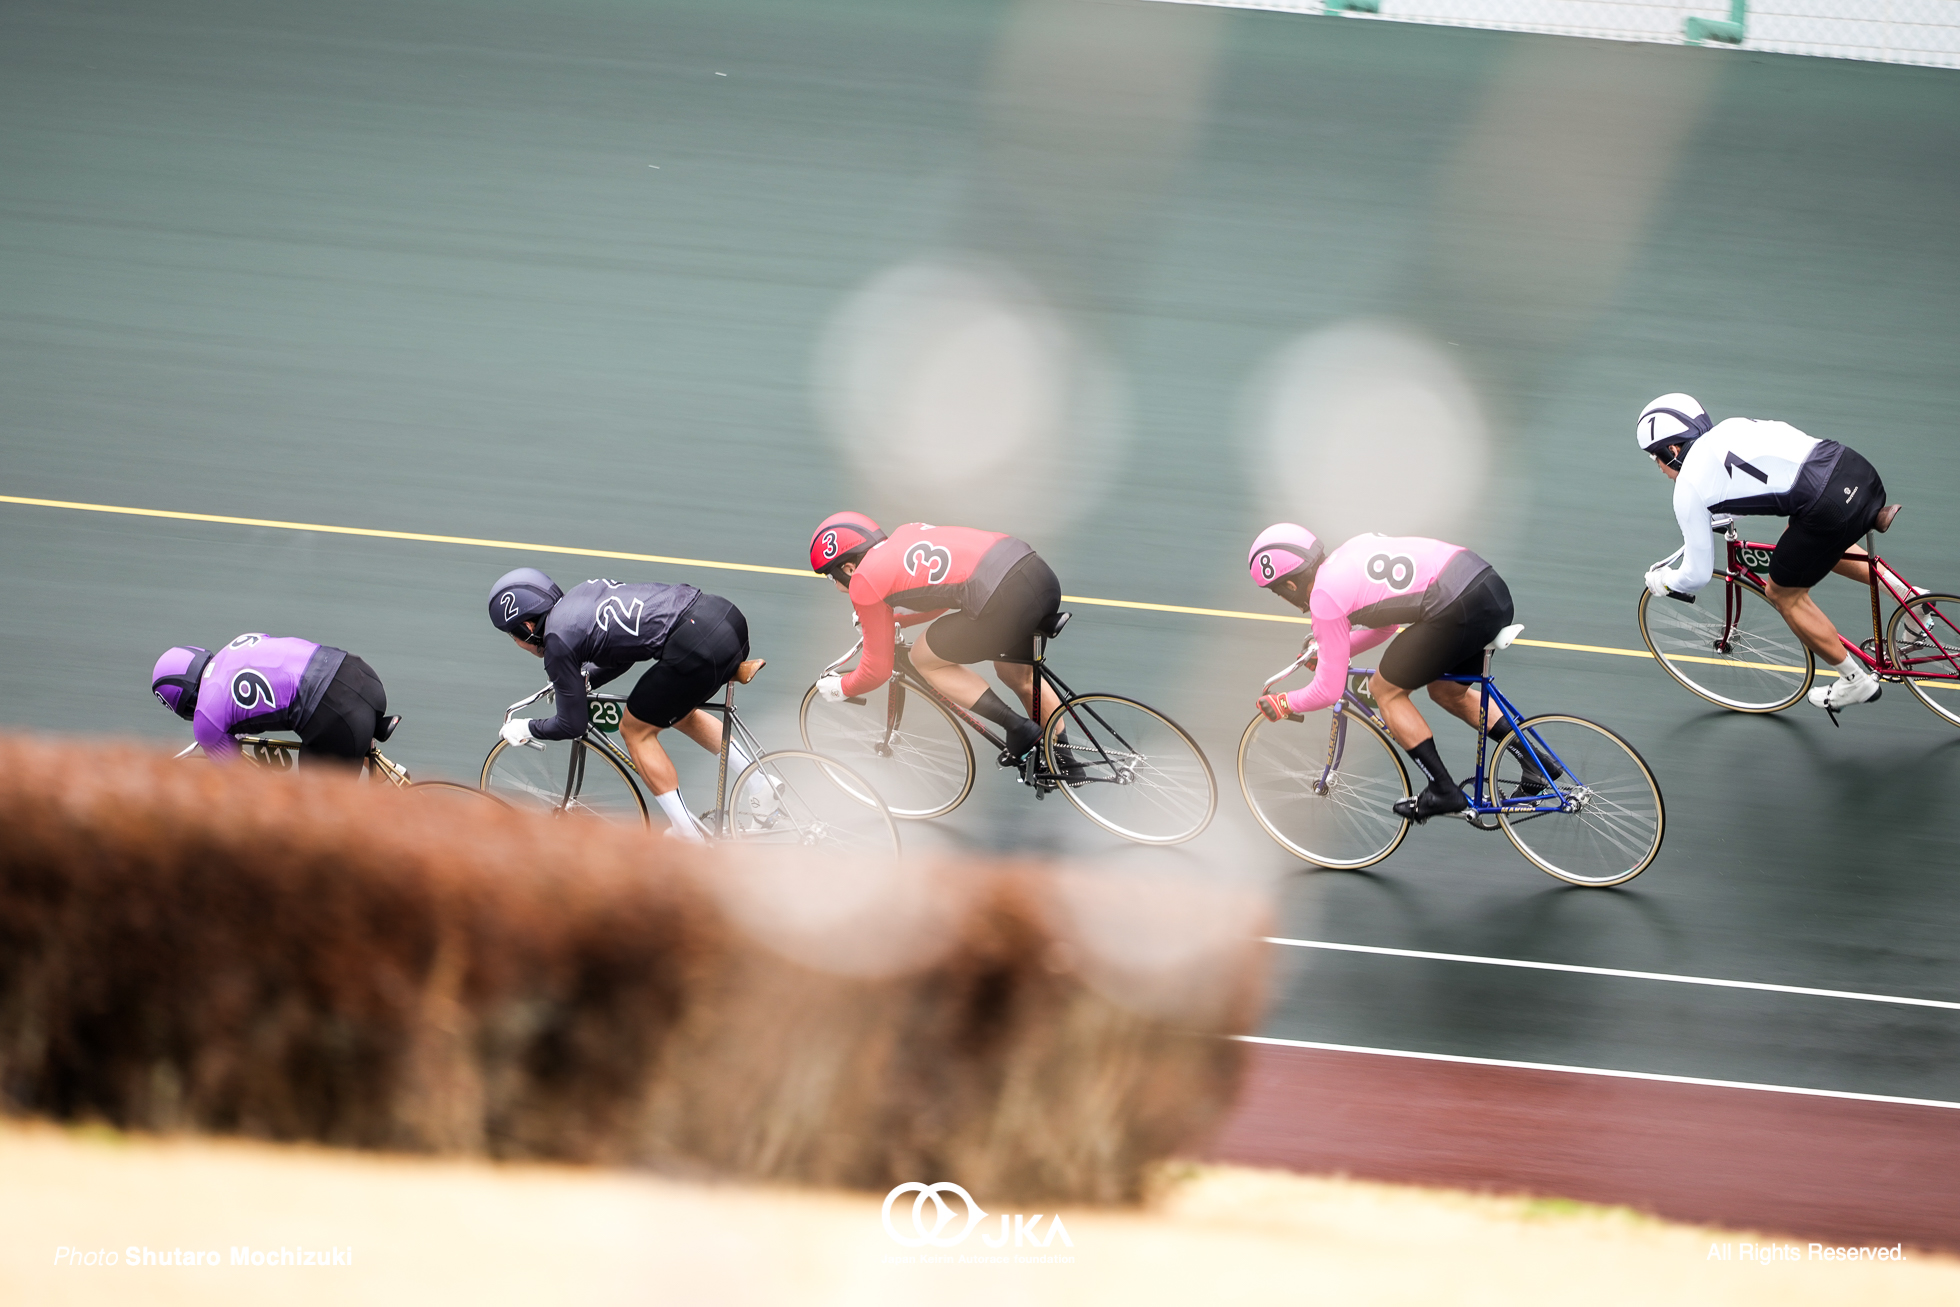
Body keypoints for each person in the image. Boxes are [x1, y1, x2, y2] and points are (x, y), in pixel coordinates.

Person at [1247, 524, 1546, 823]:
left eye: (1278, 592)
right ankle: (1538, 765)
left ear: (1290, 585)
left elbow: (1329, 690)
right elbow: (1385, 626)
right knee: (1447, 692)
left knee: (1385, 691)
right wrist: (1333, 652)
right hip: (1487, 587)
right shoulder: (1351, 548)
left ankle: (1443, 790)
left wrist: (1285, 702)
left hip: (1455, 607)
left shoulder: (1323, 600)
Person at [1634, 393, 1903, 714]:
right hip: (1855, 470)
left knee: (1782, 593)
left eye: (1656, 458)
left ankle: (1855, 680)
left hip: (1827, 508)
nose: (1660, 469)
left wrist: (1663, 580)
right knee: (1813, 539)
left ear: (1673, 450)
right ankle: (1913, 598)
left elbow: (1696, 576)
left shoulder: (1687, 489)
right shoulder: (1730, 428)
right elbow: (1752, 482)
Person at [486, 568, 757, 840]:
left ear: (528, 627)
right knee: (678, 709)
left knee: (635, 730)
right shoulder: (583, 594)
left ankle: (688, 835)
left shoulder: (556, 643)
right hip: (722, 616)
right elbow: (622, 651)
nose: (518, 642)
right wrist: (586, 679)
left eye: (514, 636)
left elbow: (572, 724)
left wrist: (526, 728)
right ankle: (762, 786)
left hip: (696, 643)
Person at [806, 513, 1063, 760]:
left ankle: (1018, 727)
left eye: (831, 577)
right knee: (1017, 676)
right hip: (1035, 572)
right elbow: (938, 597)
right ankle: (1065, 759)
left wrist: (842, 688)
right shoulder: (906, 533)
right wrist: (891, 619)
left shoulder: (863, 581)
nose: (837, 586)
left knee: (923, 658)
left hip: (1003, 601)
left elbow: (877, 670)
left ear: (848, 568)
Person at [151, 635, 396, 766]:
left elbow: (240, 788)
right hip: (360, 674)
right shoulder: (239, 642)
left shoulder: (206, 722)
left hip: (336, 715)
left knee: (313, 824)